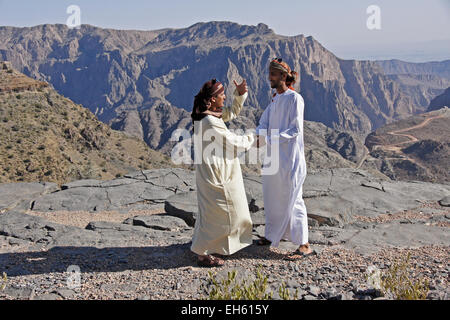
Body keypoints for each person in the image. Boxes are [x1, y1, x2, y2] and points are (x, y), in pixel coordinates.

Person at [190, 78, 256, 267]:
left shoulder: (205, 114)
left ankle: (204, 248)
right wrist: (253, 137)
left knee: (211, 213)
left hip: (210, 171)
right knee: (228, 211)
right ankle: (204, 253)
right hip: (217, 173)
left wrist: (240, 94)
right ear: (211, 100)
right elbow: (233, 142)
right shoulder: (210, 121)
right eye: (221, 95)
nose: (225, 97)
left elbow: (229, 113)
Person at [255, 58, 314, 259]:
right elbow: (263, 121)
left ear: (282, 76)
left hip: (290, 159)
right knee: (273, 198)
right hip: (273, 159)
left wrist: (270, 138)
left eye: (272, 74)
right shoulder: (275, 99)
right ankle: (272, 236)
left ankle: (304, 244)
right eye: (269, 73)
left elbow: (295, 129)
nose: (269, 77)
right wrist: (259, 135)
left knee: (294, 199)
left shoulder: (294, 99)